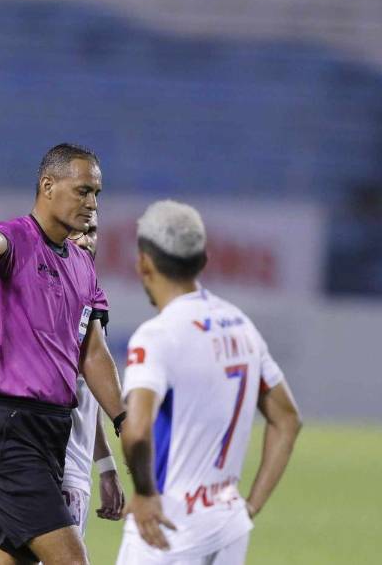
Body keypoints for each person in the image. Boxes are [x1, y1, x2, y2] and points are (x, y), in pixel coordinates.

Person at [0, 143, 126, 565]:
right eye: (83, 191)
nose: (92, 203)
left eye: (97, 194)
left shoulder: (82, 267)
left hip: (51, 434)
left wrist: (124, 419)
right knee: (71, 561)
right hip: (8, 429)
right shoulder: (18, 238)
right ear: (48, 185)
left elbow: (93, 355)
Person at [116, 200, 302, 565]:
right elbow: (288, 420)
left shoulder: (157, 337)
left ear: (143, 262)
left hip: (167, 527)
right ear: (203, 261)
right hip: (228, 525)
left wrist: (143, 493)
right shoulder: (240, 324)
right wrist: (250, 507)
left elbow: (136, 431)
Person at [63, 217, 125, 536]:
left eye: (93, 232)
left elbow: (87, 392)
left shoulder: (89, 295)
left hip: (74, 472)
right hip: (52, 473)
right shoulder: (47, 297)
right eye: (77, 232)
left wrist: (105, 465)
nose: (87, 241)